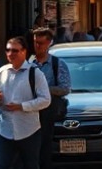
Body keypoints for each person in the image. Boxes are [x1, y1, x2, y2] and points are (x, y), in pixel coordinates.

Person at [0, 36, 51, 169]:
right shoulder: (2, 72)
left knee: (30, 165)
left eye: (15, 50)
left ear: (24, 51)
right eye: (8, 50)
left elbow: (46, 100)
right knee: (3, 165)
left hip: (29, 130)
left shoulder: (35, 73)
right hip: (5, 130)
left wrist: (22, 106)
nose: (10, 54)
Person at [30, 29, 71, 169]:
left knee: (45, 146)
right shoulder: (29, 63)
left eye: (41, 43)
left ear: (48, 43)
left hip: (47, 113)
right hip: (29, 112)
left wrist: (44, 90)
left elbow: (65, 88)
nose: (37, 46)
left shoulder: (57, 64)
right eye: (35, 42)